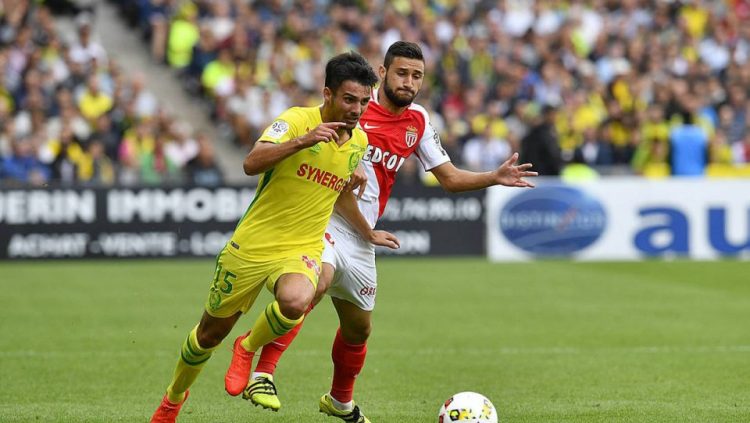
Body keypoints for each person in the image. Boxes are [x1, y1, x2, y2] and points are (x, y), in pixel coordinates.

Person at [233, 41, 537, 423]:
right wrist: (367, 228)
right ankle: (262, 372)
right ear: (383, 72)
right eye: (402, 73)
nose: (409, 82)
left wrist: (494, 176)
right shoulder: (355, 108)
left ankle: (340, 401)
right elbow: (337, 179)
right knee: (315, 283)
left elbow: (449, 178)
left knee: (358, 329)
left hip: (362, 234)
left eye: (417, 76)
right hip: (326, 217)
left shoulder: (419, 121)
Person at [149, 51, 379, 423]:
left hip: (302, 245)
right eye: (349, 99)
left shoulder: (358, 142)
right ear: (328, 93)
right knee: (208, 336)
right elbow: (251, 163)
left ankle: (247, 347)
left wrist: (366, 230)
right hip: (254, 244)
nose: (357, 109)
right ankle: (171, 401)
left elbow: (337, 193)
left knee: (297, 300)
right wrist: (302, 141)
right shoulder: (296, 119)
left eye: (364, 102)